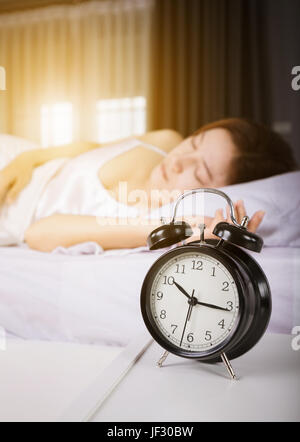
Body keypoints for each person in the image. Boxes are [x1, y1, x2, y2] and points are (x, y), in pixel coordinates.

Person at [0, 118, 297, 252]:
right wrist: (29, 158)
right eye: (194, 142)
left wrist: (182, 228)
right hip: (17, 157)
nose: (180, 160)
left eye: (201, 172)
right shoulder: (166, 141)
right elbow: (91, 145)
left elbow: (39, 233)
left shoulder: (146, 215)